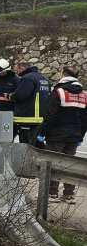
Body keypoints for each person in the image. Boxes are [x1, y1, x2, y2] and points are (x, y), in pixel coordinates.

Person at [36, 66, 87, 204]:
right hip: (74, 136)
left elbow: (50, 115)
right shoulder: (84, 94)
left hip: (56, 135)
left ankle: (52, 193)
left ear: (63, 75)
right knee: (69, 164)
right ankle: (69, 194)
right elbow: (85, 119)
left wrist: (42, 132)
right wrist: (80, 136)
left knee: (52, 163)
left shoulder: (58, 92)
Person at [7, 61, 51, 144]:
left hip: (28, 117)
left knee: (25, 145)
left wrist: (10, 95)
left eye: (17, 70)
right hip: (40, 118)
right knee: (36, 144)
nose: (17, 72)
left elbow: (21, 95)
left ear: (22, 68)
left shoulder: (27, 78)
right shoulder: (43, 78)